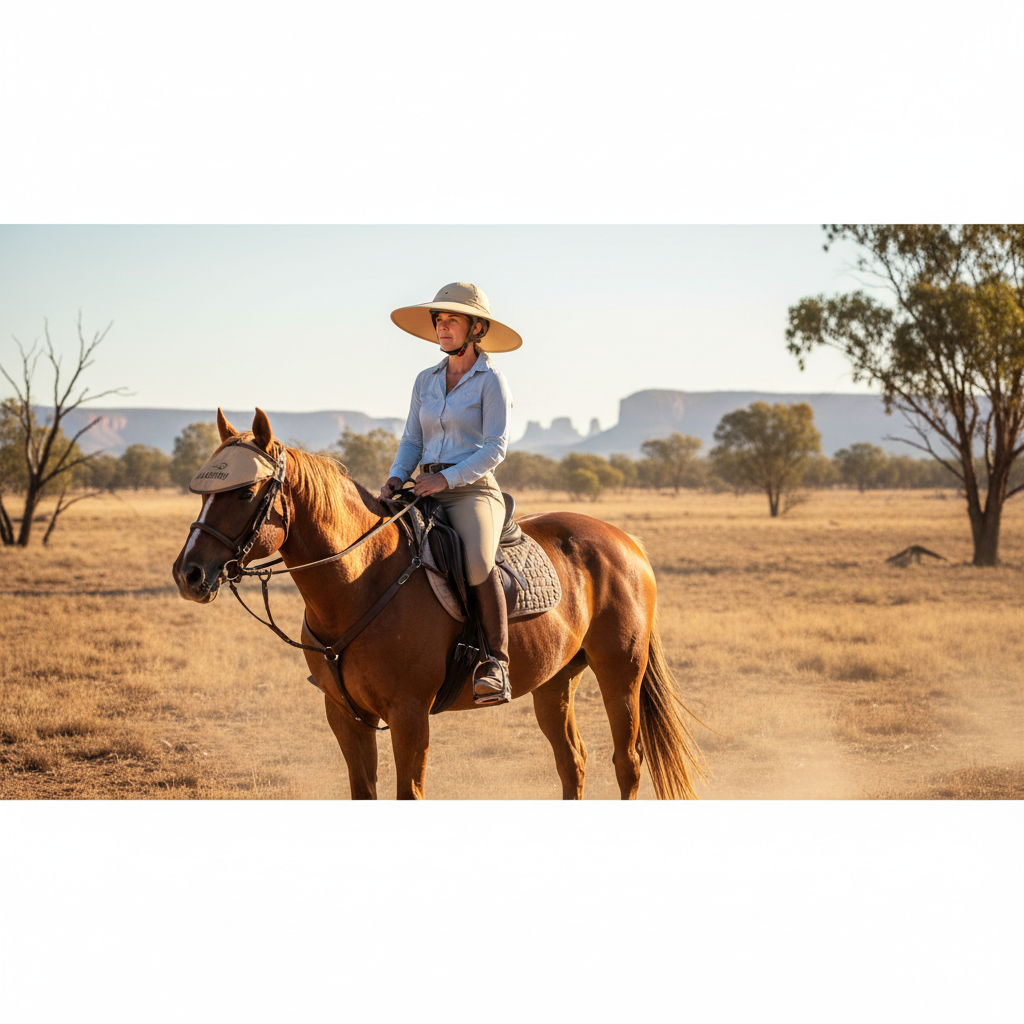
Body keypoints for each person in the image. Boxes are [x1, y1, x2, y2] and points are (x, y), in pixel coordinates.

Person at [381, 282, 520, 705]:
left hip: (472, 492)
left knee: (477, 560)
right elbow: (411, 439)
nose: (443, 327)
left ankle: (496, 662)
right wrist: (395, 477)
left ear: (475, 328)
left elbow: (496, 448)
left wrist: (447, 480)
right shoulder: (425, 380)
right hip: (421, 487)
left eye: (452, 320)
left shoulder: (491, 381)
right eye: (439, 320)